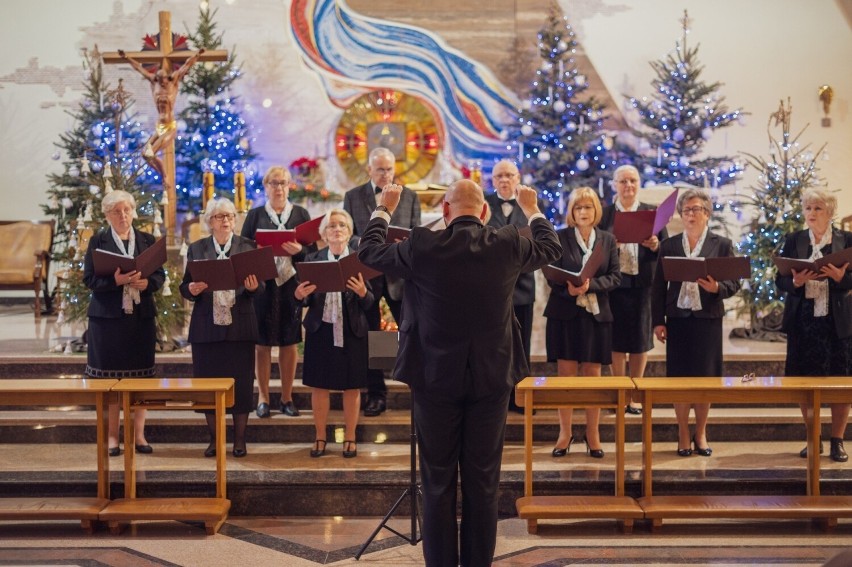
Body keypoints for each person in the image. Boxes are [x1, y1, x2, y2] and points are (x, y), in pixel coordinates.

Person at [358, 179, 561, 567]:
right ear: (484, 213)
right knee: (484, 482)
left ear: (445, 213)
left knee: (437, 482)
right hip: (491, 379)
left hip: (435, 380)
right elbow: (552, 247)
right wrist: (532, 208)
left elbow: (368, 250)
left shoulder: (423, 245)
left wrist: (385, 207)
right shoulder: (505, 243)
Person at [652, 188, 741, 457]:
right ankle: (682, 432)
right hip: (678, 319)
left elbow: (734, 282)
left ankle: (701, 432)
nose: (691, 214)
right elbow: (657, 287)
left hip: (707, 320)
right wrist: (658, 321)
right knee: (679, 380)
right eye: (686, 210)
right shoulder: (670, 245)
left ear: (707, 213)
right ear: (681, 214)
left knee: (705, 380)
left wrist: (717, 288)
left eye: (696, 209)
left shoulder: (722, 244)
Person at [83, 190, 165, 457]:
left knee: (141, 379)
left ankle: (139, 434)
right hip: (107, 320)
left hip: (140, 319)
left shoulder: (147, 240)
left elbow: (159, 277)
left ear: (133, 212)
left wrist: (147, 283)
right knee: (111, 383)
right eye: (117, 211)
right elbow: (89, 281)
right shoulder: (98, 241)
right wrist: (115, 282)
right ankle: (112, 437)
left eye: (127, 210)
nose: (123, 215)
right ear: (107, 215)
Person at [180, 199, 262, 458]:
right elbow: (186, 286)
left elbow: (261, 287)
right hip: (207, 326)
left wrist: (252, 287)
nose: (225, 220)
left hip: (241, 326)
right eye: (219, 217)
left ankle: (239, 440)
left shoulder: (247, 247)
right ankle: (215, 440)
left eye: (229, 216)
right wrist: (191, 290)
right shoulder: (197, 248)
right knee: (208, 385)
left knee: (242, 383)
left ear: (235, 220)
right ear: (210, 222)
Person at [343, 147, 421, 417]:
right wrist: (372, 245)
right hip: (368, 276)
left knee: (410, 333)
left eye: (389, 169)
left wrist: (404, 243)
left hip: (400, 277)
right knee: (372, 336)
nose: (385, 174)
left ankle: (416, 390)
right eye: (380, 169)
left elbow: (416, 235)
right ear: (369, 170)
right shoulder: (353, 197)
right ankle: (376, 394)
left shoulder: (410, 196)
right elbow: (350, 235)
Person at [775, 188, 851, 463]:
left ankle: (837, 441)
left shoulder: (846, 240)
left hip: (836, 323)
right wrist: (794, 282)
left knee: (840, 383)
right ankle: (813, 438)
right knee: (804, 383)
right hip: (803, 322)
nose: (811, 214)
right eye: (807, 208)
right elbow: (779, 279)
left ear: (829, 212)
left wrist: (842, 278)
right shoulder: (794, 240)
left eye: (817, 208)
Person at [544, 187, 621, 459]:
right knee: (566, 377)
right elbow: (551, 275)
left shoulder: (607, 240)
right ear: (572, 212)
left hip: (596, 315)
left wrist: (589, 286)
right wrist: (570, 290)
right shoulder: (560, 237)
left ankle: (593, 433)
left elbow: (615, 277)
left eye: (588, 207)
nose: (584, 212)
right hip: (565, 314)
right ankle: (565, 433)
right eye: (578, 208)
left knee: (593, 377)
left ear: (596, 211)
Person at [294, 209, 374, 458]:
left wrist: (362, 292)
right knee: (320, 386)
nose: (336, 229)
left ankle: (350, 437)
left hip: (352, 330)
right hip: (321, 330)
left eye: (341, 225)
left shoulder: (360, 259)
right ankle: (320, 436)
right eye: (331, 226)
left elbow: (371, 302)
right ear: (324, 234)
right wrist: (299, 296)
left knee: (352, 387)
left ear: (349, 232)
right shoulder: (313, 258)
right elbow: (302, 299)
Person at [241, 166, 312, 418]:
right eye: (273, 183)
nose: (279, 188)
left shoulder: (300, 213)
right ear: (265, 186)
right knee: (261, 344)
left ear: (289, 185)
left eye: (283, 183)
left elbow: (311, 252)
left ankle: (286, 396)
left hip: (291, 285)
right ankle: (262, 397)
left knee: (289, 342)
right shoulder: (256, 215)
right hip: (263, 285)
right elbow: (243, 248)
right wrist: (259, 250)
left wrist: (299, 252)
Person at [599, 165, 665, 415]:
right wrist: (608, 246)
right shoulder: (604, 215)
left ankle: (635, 394)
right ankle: (620, 392)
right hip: (613, 285)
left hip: (642, 283)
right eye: (623, 181)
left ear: (639, 184)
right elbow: (595, 250)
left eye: (633, 181)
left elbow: (665, 248)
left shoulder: (651, 212)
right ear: (614, 184)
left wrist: (656, 244)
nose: (628, 186)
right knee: (615, 340)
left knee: (640, 340)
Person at [485, 160, 548, 414]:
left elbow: (541, 242)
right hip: (492, 286)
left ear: (518, 177)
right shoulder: (484, 203)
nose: (504, 180)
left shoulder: (532, 203)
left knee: (521, 344)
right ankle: (495, 397)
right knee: (494, 344)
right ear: (493, 180)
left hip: (522, 283)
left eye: (509, 175)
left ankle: (521, 398)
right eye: (499, 175)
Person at [117, 48, 204, 180]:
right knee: (144, 154)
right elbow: (139, 69)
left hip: (169, 126)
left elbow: (187, 65)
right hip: (159, 127)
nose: (162, 82)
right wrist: (126, 57)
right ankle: (162, 175)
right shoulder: (154, 83)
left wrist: (197, 55)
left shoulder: (173, 81)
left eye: (164, 78)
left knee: (151, 153)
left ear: (167, 77)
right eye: (159, 79)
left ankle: (165, 176)